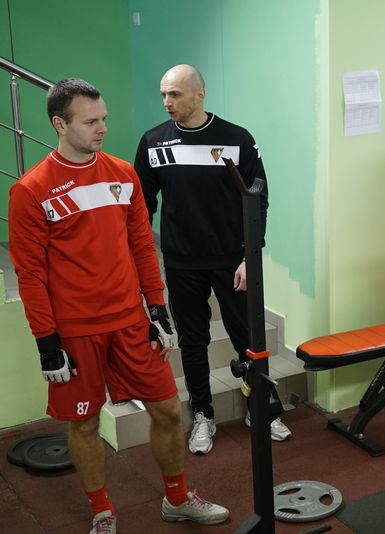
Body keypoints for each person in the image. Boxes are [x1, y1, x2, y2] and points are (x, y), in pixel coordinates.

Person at [8, 78, 229, 534]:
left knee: (168, 410)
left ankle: (176, 499)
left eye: (104, 118)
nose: (102, 128)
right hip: (76, 330)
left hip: (130, 319)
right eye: (90, 121)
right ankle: (102, 512)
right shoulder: (31, 190)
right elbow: (30, 275)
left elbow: (142, 246)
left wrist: (157, 307)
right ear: (60, 124)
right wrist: (47, 341)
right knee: (85, 424)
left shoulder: (123, 174)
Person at [134, 64, 291, 455]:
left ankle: (261, 409)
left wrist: (250, 256)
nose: (167, 102)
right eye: (164, 94)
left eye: (175, 94)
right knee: (193, 343)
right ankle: (203, 415)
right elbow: (140, 208)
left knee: (248, 338)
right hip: (182, 262)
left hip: (231, 260)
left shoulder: (236, 140)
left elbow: (258, 200)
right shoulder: (153, 143)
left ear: (200, 94)